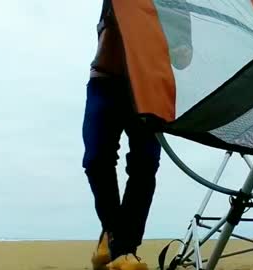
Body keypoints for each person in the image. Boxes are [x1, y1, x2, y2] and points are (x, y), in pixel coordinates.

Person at [82, 1, 192, 270]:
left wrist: (177, 49)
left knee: (145, 164)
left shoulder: (178, 5)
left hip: (150, 84)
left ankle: (124, 251)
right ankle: (114, 239)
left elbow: (184, 57)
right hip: (105, 80)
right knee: (96, 160)